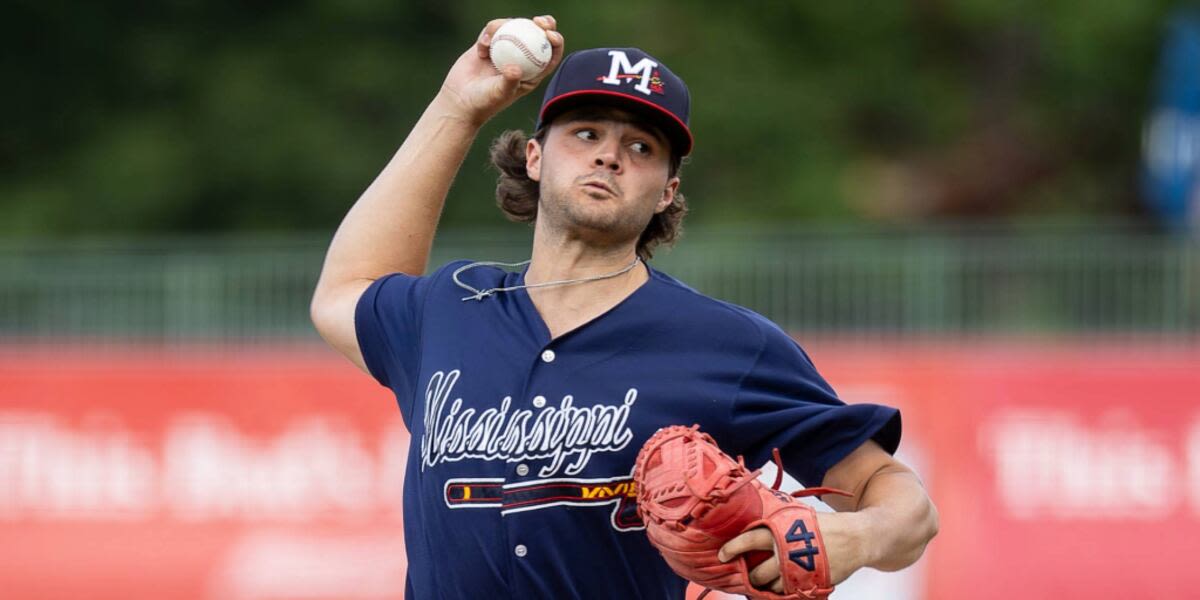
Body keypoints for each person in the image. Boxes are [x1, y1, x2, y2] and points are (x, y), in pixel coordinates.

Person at [311, 15, 938, 600]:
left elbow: (907, 508)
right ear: (534, 157)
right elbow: (346, 290)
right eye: (586, 133)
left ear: (668, 193)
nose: (609, 154)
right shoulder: (450, 309)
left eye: (641, 147)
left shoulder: (727, 345)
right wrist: (457, 107)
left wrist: (859, 535)